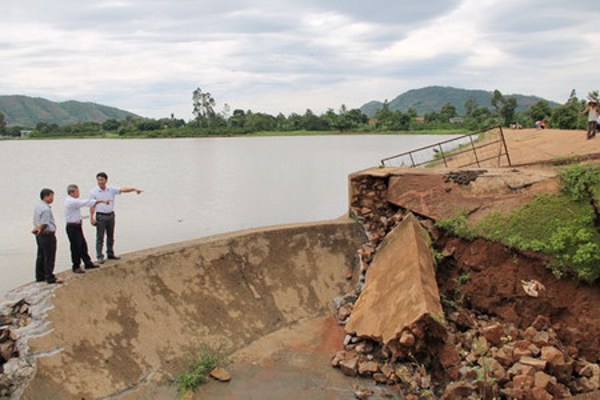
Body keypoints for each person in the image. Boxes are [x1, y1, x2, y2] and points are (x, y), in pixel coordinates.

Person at [89, 172, 143, 263]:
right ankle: (99, 256)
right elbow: (92, 205)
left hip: (110, 215)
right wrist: (91, 217)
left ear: (106, 180)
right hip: (100, 216)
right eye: (98, 180)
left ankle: (110, 253)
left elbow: (122, 190)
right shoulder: (93, 192)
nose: (100, 182)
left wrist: (133, 189)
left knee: (110, 236)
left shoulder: (111, 189)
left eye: (102, 180)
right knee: (100, 237)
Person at [65, 184, 110, 274]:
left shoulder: (73, 201)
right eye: (77, 191)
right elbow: (86, 202)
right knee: (75, 247)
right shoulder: (71, 201)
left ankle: (87, 263)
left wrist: (86, 217)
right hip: (72, 227)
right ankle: (76, 266)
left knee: (82, 245)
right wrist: (101, 201)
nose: (79, 193)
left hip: (77, 225)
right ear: (72, 192)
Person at [32, 188, 62, 284]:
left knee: (41, 255)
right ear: (46, 196)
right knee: (49, 255)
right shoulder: (45, 209)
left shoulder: (38, 206)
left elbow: (36, 220)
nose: (53, 198)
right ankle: (49, 276)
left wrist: (37, 230)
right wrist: (41, 230)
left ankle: (40, 275)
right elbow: (44, 223)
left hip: (39, 235)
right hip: (47, 234)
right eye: (51, 196)